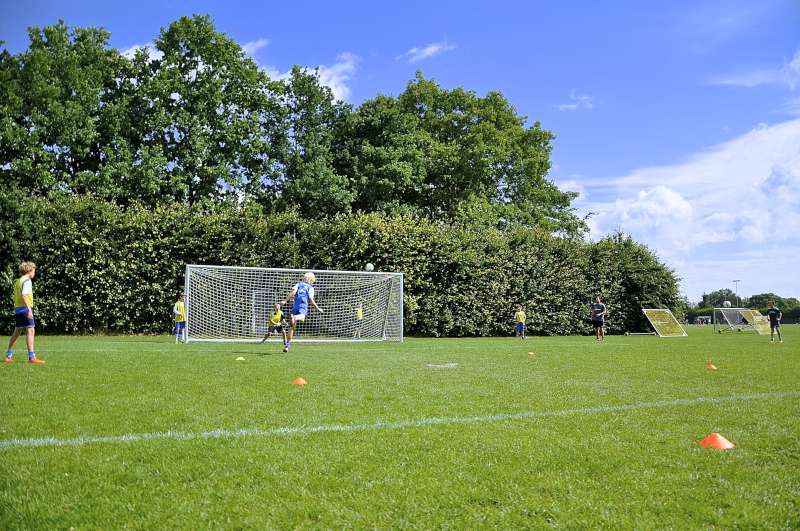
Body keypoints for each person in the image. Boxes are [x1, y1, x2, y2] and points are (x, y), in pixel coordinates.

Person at [4, 261, 45, 363]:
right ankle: (32, 357)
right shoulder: (27, 281)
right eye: (34, 270)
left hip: (18, 309)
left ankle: (8, 355)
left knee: (17, 332)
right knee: (30, 330)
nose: (34, 273)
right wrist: (29, 309)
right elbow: (24, 295)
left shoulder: (18, 281)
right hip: (25, 309)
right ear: (29, 271)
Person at [281, 272, 323, 353]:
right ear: (311, 280)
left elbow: (293, 292)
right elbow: (311, 299)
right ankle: (295, 317)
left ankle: (287, 346)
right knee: (302, 317)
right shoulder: (310, 287)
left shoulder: (298, 284)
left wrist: (285, 301)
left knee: (292, 327)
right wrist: (318, 308)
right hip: (303, 304)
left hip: (295, 306)